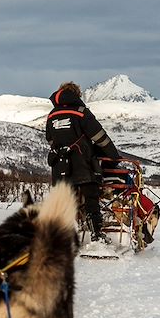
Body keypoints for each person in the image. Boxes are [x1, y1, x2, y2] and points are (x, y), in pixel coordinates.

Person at [45, 81, 121, 242]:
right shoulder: (81, 112)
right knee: (91, 198)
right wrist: (114, 156)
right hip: (82, 165)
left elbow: (50, 140)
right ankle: (97, 235)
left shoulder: (52, 115)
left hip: (60, 167)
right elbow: (100, 137)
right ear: (76, 95)